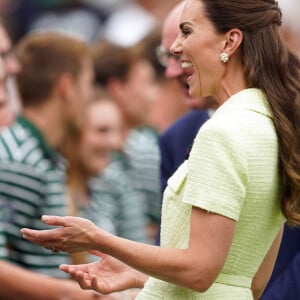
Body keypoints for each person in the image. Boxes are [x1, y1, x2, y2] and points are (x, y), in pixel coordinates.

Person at [21, 0, 300, 299]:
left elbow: (199, 270)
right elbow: (248, 281)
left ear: (230, 41)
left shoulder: (221, 131)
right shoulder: (271, 125)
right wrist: (138, 273)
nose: (177, 48)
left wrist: (97, 238)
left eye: (186, 31)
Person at [0, 32, 105, 299]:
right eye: (87, 84)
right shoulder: (18, 160)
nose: (90, 97)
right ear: (66, 87)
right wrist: (75, 295)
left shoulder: (42, 154)